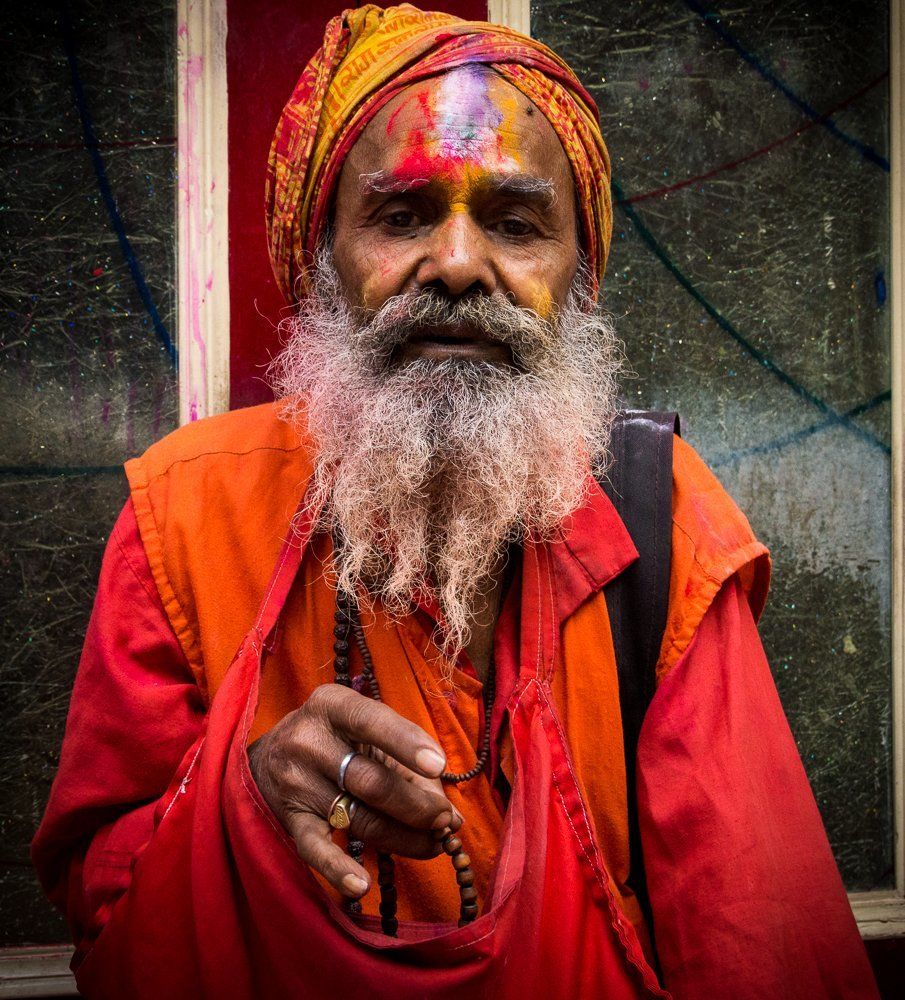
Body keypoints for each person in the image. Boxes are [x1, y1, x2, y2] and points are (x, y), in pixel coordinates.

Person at [32, 5, 878, 998]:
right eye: (400, 217)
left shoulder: (659, 521)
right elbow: (110, 920)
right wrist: (245, 804)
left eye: (516, 224)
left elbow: (754, 945)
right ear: (325, 262)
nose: (458, 264)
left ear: (580, 277)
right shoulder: (180, 517)